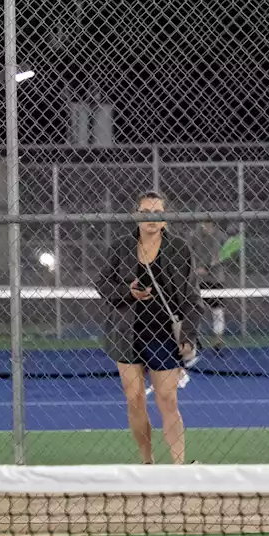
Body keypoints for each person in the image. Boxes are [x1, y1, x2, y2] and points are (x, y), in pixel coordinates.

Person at [96, 191, 202, 465]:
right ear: (136, 216)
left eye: (157, 214)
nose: (151, 219)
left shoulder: (179, 248)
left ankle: (179, 465)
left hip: (165, 335)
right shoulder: (120, 247)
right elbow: (102, 285)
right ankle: (147, 462)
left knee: (168, 399)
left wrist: (188, 335)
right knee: (135, 400)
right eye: (146, 213)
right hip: (127, 335)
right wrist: (128, 292)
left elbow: (192, 298)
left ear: (165, 219)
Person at [190, 219, 228, 353]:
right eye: (203, 225)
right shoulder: (195, 236)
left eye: (207, 225)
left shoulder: (221, 237)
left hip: (216, 280)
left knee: (217, 311)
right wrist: (196, 268)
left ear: (214, 225)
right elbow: (189, 253)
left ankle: (218, 341)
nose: (204, 227)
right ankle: (195, 340)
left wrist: (213, 264)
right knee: (196, 310)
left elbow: (224, 254)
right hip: (199, 280)